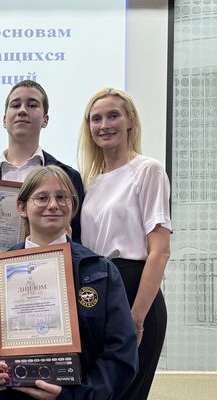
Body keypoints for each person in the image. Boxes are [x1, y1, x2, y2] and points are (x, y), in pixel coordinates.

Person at [0, 165, 138, 399]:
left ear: (72, 206)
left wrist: (75, 395)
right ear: (21, 207)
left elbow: (121, 352)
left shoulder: (100, 271)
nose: (53, 205)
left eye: (62, 197)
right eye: (42, 197)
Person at [77, 88, 171, 400]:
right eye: (96, 119)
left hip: (133, 292)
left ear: (130, 120)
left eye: (113, 116)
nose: (104, 125)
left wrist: (137, 316)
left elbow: (160, 251)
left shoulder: (148, 170)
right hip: (95, 294)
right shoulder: (89, 182)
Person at [0, 80, 84, 244]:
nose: (22, 111)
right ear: (4, 120)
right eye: (15, 105)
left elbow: (78, 239)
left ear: (45, 120)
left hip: (52, 260)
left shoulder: (69, 177)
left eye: (32, 105)